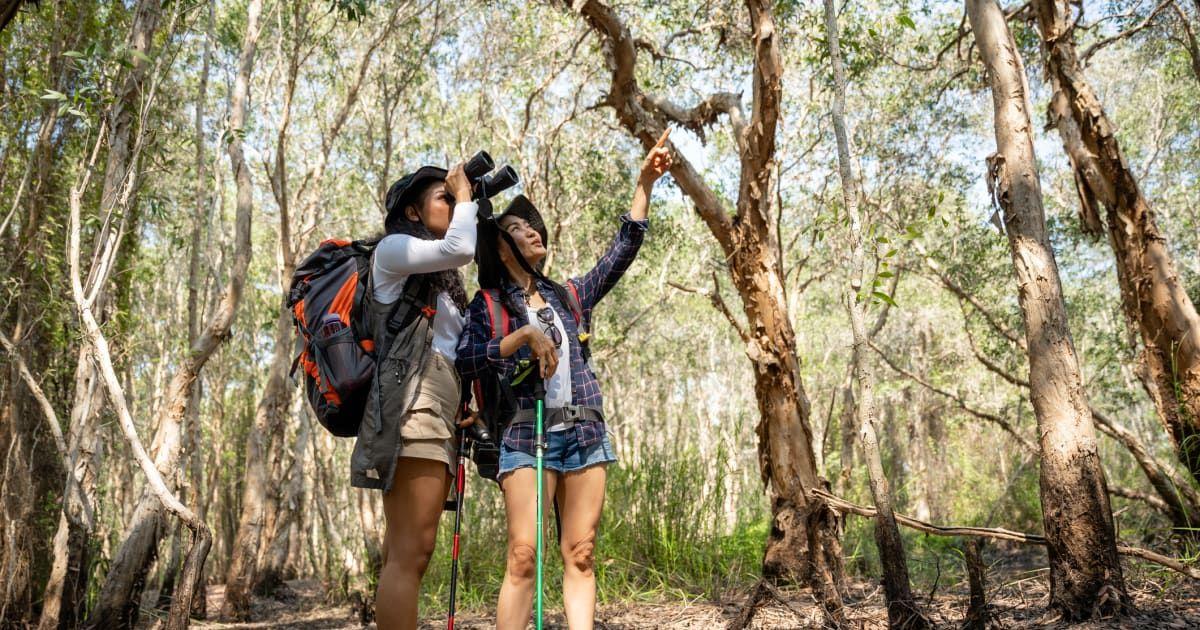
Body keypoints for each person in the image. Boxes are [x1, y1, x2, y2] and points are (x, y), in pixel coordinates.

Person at [456, 131, 673, 629]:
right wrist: (519, 339)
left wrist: (645, 183)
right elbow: (466, 360)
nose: (534, 233)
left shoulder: (571, 297)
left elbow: (622, 251)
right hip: (524, 435)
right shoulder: (488, 306)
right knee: (523, 556)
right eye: (519, 228)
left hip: (585, 435)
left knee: (581, 553)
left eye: (535, 228)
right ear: (501, 245)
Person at [350, 161, 478, 630]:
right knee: (412, 553)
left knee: (408, 550)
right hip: (412, 405)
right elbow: (461, 246)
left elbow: (457, 347)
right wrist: (466, 196)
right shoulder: (393, 250)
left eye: (454, 195)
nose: (456, 200)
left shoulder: (443, 283)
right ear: (411, 210)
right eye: (443, 196)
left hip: (439, 409)